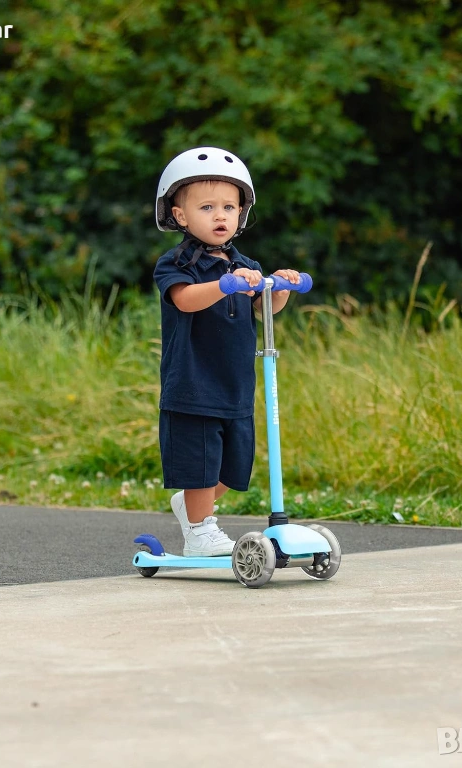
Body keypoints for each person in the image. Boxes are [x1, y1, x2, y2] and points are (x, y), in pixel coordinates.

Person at [153, 146, 301, 556]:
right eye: (207, 207)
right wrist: (223, 285)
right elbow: (185, 301)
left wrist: (279, 288)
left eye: (229, 207)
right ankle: (199, 532)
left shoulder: (244, 263)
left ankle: (190, 505)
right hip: (193, 382)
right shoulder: (176, 263)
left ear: (241, 213)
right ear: (180, 215)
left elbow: (263, 309)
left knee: (234, 468)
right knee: (200, 464)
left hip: (235, 382)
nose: (220, 216)